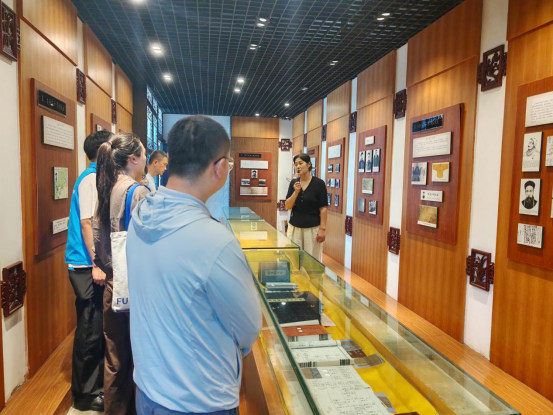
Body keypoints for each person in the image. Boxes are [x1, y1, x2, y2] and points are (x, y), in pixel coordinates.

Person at [127, 115, 262, 414]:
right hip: (199, 398)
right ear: (219, 167)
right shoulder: (216, 241)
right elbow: (249, 327)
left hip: (148, 388)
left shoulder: (141, 214)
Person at [93, 133, 149, 415]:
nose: (147, 158)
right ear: (134, 159)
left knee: (114, 358)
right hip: (136, 287)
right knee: (143, 358)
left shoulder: (106, 187)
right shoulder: (137, 192)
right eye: (144, 153)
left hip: (112, 284)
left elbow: (98, 239)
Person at [65, 130, 112, 412]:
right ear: (104, 150)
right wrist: (97, 263)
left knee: (94, 328)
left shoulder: (96, 176)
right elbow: (87, 223)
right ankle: (83, 396)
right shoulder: (91, 179)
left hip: (90, 263)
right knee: (89, 329)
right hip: (86, 265)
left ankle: (94, 386)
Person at [285, 153, 328, 260]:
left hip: (312, 228)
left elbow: (323, 208)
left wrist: (322, 229)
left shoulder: (319, 183)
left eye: (300, 163)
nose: (298, 166)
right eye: (296, 164)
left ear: (309, 164)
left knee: (312, 260)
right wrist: (296, 192)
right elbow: (288, 206)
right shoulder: (294, 183)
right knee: (295, 259)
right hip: (295, 227)